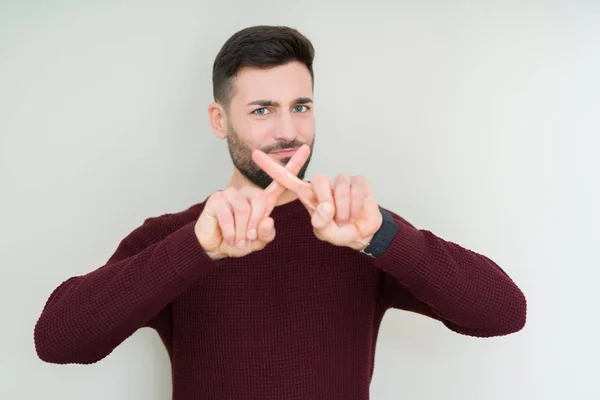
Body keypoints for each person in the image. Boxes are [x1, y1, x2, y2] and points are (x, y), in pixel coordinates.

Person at [34, 25, 527, 399]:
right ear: (219, 119)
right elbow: (59, 342)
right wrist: (197, 249)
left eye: (302, 106)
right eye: (262, 110)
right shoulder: (173, 238)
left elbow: (503, 314)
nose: (288, 132)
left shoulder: (356, 227)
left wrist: (382, 238)